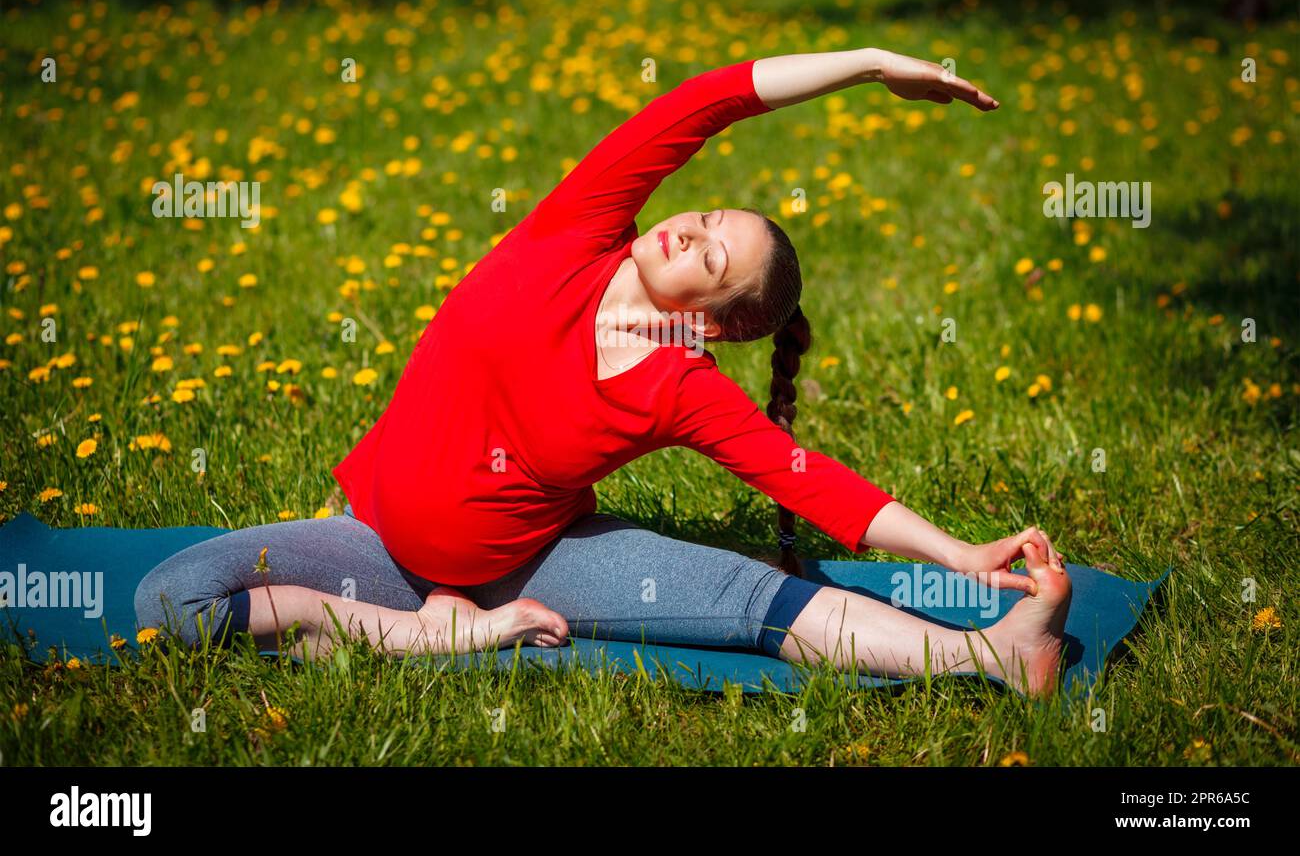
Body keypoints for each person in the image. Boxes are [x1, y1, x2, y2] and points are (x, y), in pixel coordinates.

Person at [135, 46, 1072, 697]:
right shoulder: (579, 230)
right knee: (170, 602)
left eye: (710, 260)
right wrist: (868, 65)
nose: (688, 231)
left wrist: (960, 555)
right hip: (374, 543)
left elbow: (809, 483)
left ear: (711, 319)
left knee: (746, 598)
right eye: (708, 221)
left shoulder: (679, 386)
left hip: (532, 568)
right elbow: (702, 104)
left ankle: (991, 656)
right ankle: (426, 636)